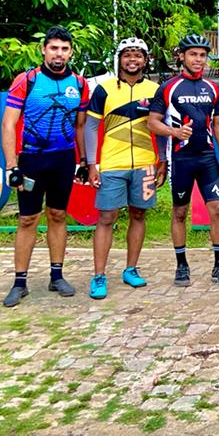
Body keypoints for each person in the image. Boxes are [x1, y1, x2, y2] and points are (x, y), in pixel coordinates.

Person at [1, 26, 90, 307]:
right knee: (28, 218)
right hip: (31, 159)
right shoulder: (27, 80)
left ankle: (57, 275)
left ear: (71, 52)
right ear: (44, 50)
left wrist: (84, 161)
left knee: (58, 215)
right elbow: (8, 124)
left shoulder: (79, 83)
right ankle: (19, 282)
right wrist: (11, 165)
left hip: (63, 159)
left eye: (64, 49)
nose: (59, 54)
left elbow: (80, 127)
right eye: (54, 48)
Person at [148, 34, 219, 287]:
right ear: (182, 57)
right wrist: (174, 132)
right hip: (180, 158)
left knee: (217, 209)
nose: (198, 60)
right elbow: (152, 122)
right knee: (180, 212)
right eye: (193, 54)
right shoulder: (168, 87)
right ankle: (181, 265)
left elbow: (218, 123)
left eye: (202, 55)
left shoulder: (213, 88)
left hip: (207, 158)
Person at [84, 37, 165, 299]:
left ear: (145, 60)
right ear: (119, 59)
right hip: (112, 164)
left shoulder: (155, 90)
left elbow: (161, 129)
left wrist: (162, 160)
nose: (133, 60)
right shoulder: (104, 89)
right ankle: (99, 275)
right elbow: (91, 127)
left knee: (139, 215)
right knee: (106, 218)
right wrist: (91, 164)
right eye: (127, 55)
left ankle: (131, 268)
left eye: (138, 55)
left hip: (145, 163)